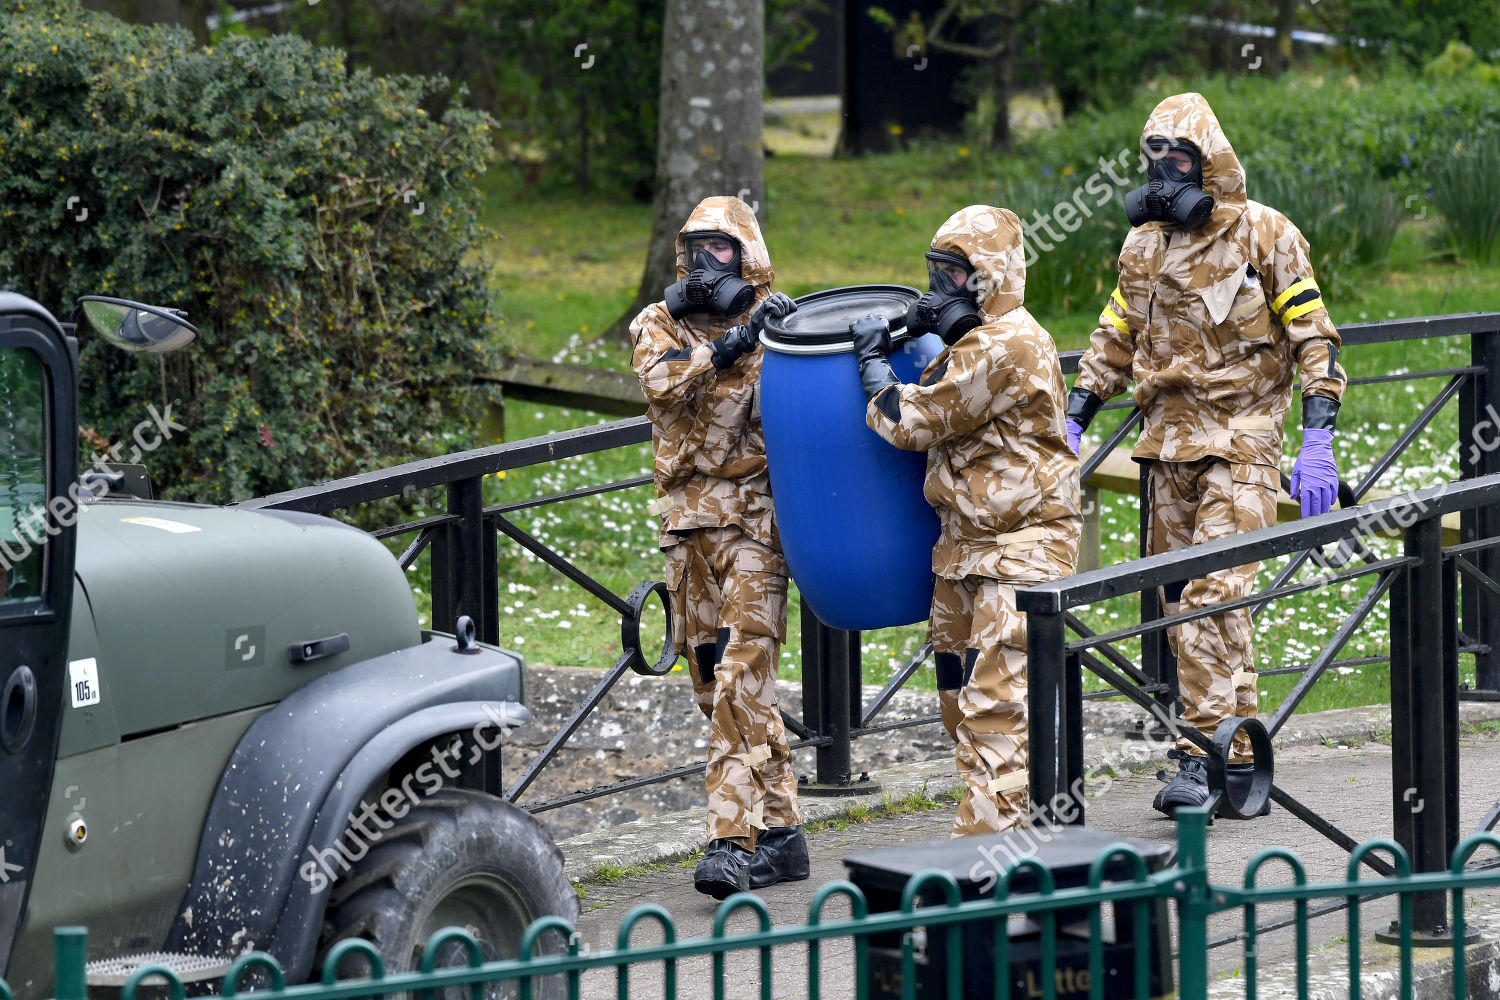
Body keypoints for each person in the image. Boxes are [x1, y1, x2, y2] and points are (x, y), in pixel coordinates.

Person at [1065, 92, 1346, 816]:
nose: (1163, 175)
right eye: (1152, 160)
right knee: (1189, 608)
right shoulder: (1142, 248)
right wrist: (1075, 415)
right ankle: (1238, 755)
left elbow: (1315, 336)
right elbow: (1114, 337)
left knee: (1210, 596)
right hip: (1166, 447)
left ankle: (1195, 758)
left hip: (1241, 444)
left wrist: (1318, 435)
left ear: (1211, 162)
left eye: (1179, 160)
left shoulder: (1265, 236)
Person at [849, 204, 1081, 836]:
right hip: (964, 551)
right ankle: (1025, 836)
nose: (941, 288)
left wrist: (871, 368)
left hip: (1020, 551)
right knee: (957, 703)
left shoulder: (1007, 343)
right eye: (937, 271)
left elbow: (913, 422)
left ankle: (977, 883)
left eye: (957, 274)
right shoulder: (974, 339)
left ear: (992, 277)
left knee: (994, 714)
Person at [630, 195, 808, 897]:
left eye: (723, 250)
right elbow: (661, 383)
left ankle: (730, 842)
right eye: (697, 249)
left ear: (748, 255)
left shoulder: (775, 327)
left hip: (755, 528)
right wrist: (726, 347)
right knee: (717, 690)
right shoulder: (659, 324)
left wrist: (785, 337)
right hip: (687, 530)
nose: (708, 264)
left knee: (741, 678)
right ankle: (785, 835)